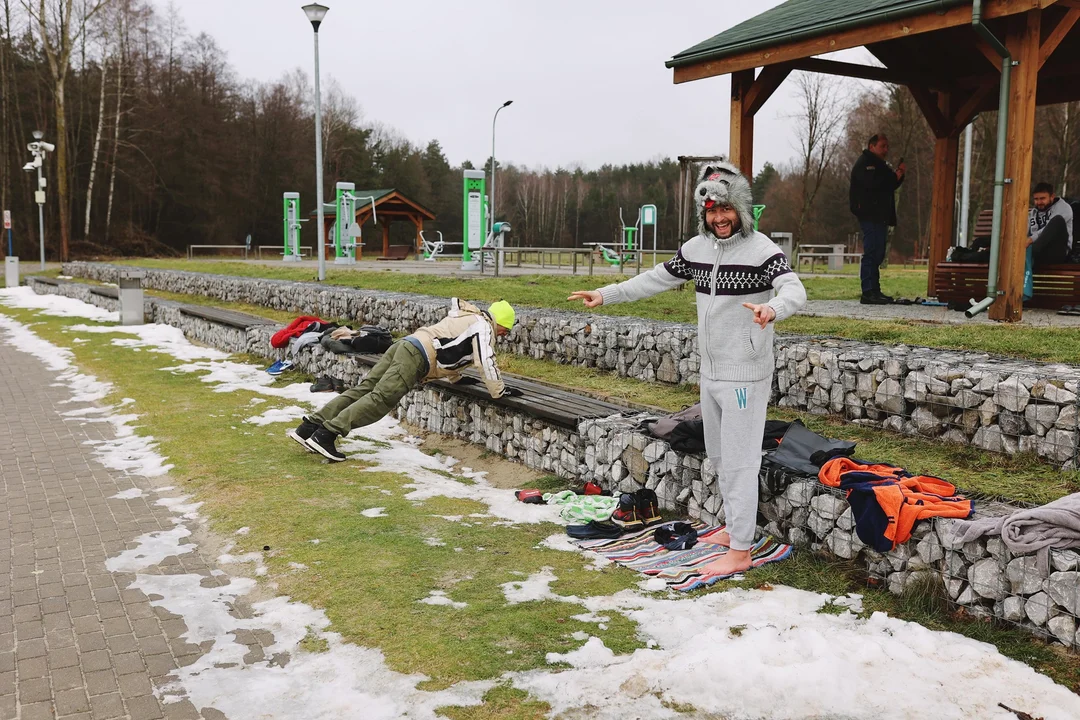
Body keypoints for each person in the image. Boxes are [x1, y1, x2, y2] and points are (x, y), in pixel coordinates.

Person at [568, 160, 806, 578]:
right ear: (704, 214)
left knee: (740, 461)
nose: (720, 218)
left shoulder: (764, 251)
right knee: (717, 455)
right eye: (712, 211)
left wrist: (773, 307)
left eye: (726, 209)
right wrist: (606, 294)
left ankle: (743, 549)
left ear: (741, 210)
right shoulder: (696, 250)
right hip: (711, 373)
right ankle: (733, 531)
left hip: (745, 375)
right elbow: (654, 279)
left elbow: (794, 288)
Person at [289, 298, 522, 461]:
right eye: (506, 329)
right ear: (500, 322)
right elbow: (485, 360)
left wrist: (455, 379)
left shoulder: (470, 317)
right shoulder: (483, 327)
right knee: (380, 399)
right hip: (416, 357)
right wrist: (499, 390)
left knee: (364, 389)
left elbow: (451, 347)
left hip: (406, 344)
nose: (505, 334)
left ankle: (309, 427)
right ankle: (327, 434)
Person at [849, 133, 906, 304]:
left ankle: (875, 290)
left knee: (878, 253)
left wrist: (899, 175)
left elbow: (890, 184)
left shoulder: (878, 164)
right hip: (870, 215)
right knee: (872, 253)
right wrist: (895, 175)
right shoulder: (866, 164)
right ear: (872, 146)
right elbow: (877, 185)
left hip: (879, 215)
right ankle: (868, 292)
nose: (886, 150)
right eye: (883, 146)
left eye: (887, 146)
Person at [1028, 182, 1073, 266]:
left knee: (1058, 220)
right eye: (1036, 199)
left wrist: (1031, 240)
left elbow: (1050, 228)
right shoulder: (1033, 213)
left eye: (1042, 198)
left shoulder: (1063, 208)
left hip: (1058, 251)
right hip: (1038, 253)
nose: (1039, 202)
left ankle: (1031, 253)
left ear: (1052, 197)